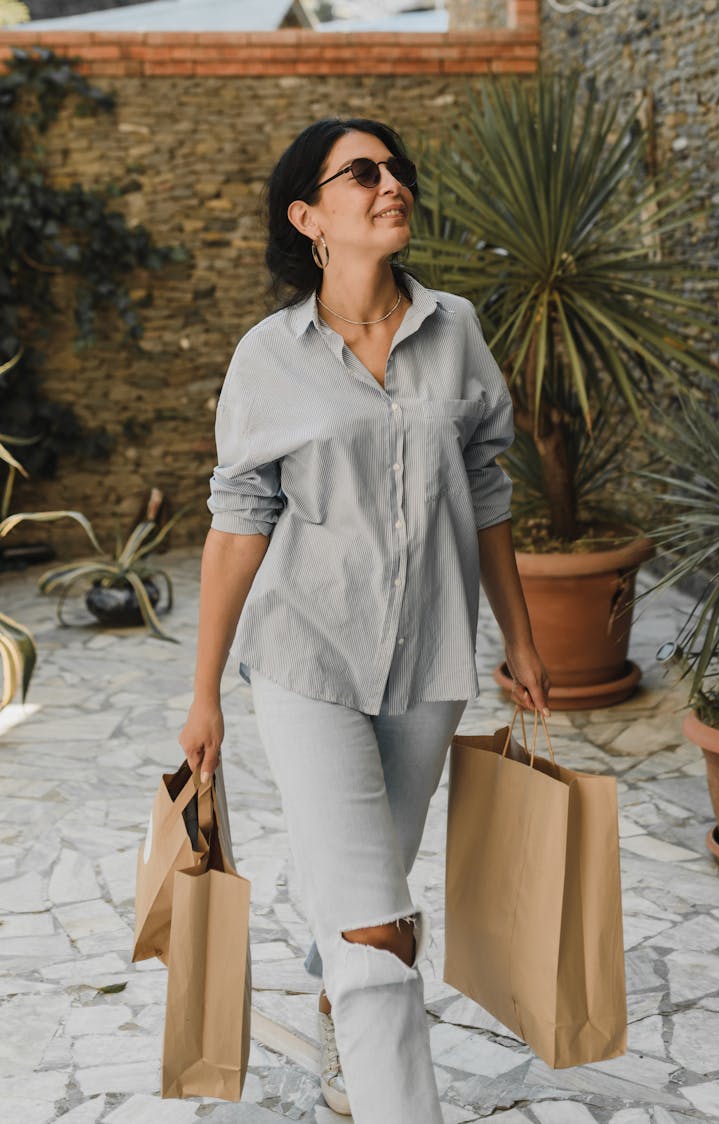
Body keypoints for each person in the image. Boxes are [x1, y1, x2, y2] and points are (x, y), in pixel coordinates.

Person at [179, 116, 549, 1123]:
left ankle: (336, 999)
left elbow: (486, 489)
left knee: (365, 894)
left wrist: (517, 635)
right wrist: (205, 689)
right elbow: (238, 522)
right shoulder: (269, 356)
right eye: (363, 173)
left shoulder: (456, 329)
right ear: (309, 216)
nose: (394, 185)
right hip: (307, 660)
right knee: (383, 938)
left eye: (398, 172)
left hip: (428, 664)